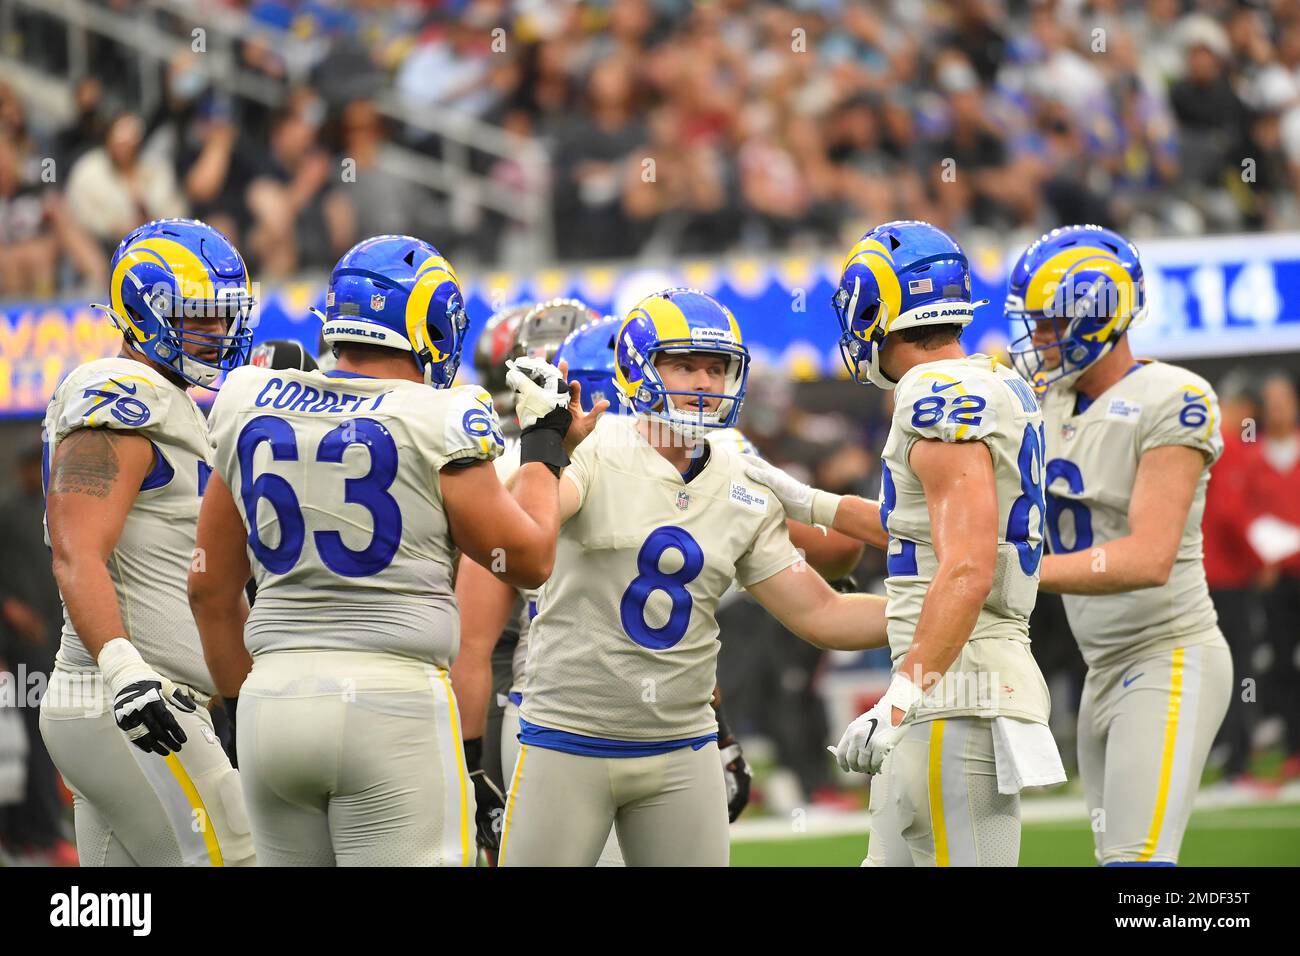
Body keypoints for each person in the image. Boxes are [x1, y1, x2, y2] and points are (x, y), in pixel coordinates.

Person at [188, 235, 601, 866]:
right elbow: (528, 560)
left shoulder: (248, 401)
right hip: (392, 701)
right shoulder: (440, 416)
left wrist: (245, 707)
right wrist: (546, 447)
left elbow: (209, 589)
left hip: (273, 701)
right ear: (430, 324)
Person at [498, 287, 890, 867]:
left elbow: (822, 613)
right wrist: (545, 448)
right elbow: (523, 535)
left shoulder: (742, 477)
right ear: (637, 368)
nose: (703, 382)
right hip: (569, 738)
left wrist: (937, 607)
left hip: (683, 748)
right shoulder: (597, 446)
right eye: (683, 364)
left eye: (716, 367)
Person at [743, 220, 1065, 866]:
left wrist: (902, 697)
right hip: (954, 678)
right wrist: (810, 501)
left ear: (877, 306)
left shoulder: (932, 393)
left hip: (954, 686)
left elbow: (968, 564)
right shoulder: (992, 381)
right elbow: (926, 526)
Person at [1006, 224, 1232, 865]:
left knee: (1138, 871)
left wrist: (1021, 570)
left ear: (1095, 315)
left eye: (1048, 322)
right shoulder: (1043, 401)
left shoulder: (1175, 398)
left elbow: (1149, 556)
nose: (1038, 338)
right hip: (1101, 667)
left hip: (1170, 655)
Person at [39, 217, 257, 867]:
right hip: (130, 700)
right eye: (200, 317)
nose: (218, 333)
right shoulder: (122, 394)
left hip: (127, 705)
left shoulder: (174, 405)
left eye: (225, 317)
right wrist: (126, 674)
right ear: (146, 310)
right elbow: (75, 550)